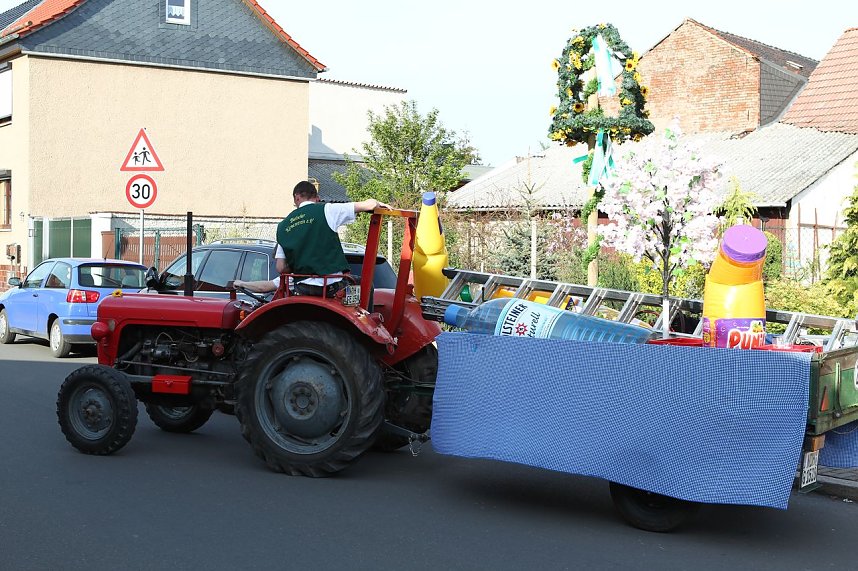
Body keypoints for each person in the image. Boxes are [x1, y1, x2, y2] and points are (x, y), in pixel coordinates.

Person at [233, 180, 390, 297]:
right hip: (333, 286)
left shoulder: (283, 226)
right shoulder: (327, 210)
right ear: (317, 198)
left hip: (302, 288)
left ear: (296, 197)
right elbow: (368, 205)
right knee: (364, 285)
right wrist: (376, 202)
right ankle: (368, 321)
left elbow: (280, 268)